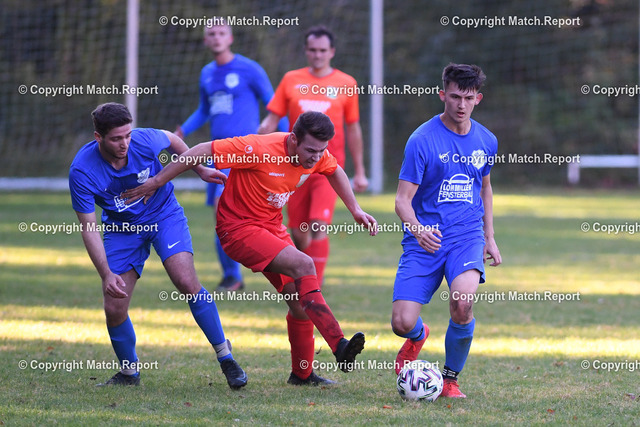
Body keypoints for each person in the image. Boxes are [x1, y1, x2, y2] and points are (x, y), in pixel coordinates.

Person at [123, 111, 377, 385]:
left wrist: (355, 209)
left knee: (299, 301)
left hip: (272, 228)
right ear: (293, 140)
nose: (316, 157)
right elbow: (202, 149)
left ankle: (302, 375)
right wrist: (157, 181)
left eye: (321, 151)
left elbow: (334, 169)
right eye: (311, 150)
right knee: (305, 264)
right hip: (237, 229)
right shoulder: (257, 148)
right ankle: (339, 344)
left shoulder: (316, 155)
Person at [69, 102, 247, 389]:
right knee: (114, 305)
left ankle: (225, 356)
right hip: (122, 228)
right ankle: (129, 373)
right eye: (116, 138)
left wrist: (200, 169)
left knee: (186, 281)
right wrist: (106, 274)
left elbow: (174, 140)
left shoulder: (144, 139)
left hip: (163, 214)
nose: (125, 143)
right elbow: (88, 227)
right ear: (98, 137)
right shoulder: (82, 170)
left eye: (128, 135)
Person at [390, 64, 502, 398]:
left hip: (466, 237)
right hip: (424, 240)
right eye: (454, 97)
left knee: (462, 304)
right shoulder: (421, 140)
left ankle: (450, 380)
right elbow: (401, 201)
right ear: (442, 95)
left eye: (468, 98)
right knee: (401, 322)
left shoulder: (487, 140)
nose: (461, 104)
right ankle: (417, 336)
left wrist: (489, 236)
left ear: (478, 98)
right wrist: (418, 230)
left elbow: (485, 188)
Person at [176, 21, 288, 292]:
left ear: (231, 38)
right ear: (205, 41)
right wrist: (182, 131)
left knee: (251, 215)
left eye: (221, 33)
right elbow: (204, 110)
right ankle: (232, 277)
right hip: (218, 155)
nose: (216, 38)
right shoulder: (206, 73)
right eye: (211, 34)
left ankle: (279, 268)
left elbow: (275, 106)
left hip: (248, 155)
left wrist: (287, 144)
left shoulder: (249, 69)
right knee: (222, 217)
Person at [258, 25, 367, 288]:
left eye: (322, 50)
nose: (317, 55)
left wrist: (360, 170)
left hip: (328, 168)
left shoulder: (346, 83)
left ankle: (312, 288)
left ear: (332, 52)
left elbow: (353, 128)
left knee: (318, 224)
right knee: (299, 231)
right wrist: (257, 143)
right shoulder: (291, 79)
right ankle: (309, 271)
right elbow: (271, 119)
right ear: (306, 51)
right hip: (294, 168)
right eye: (312, 50)